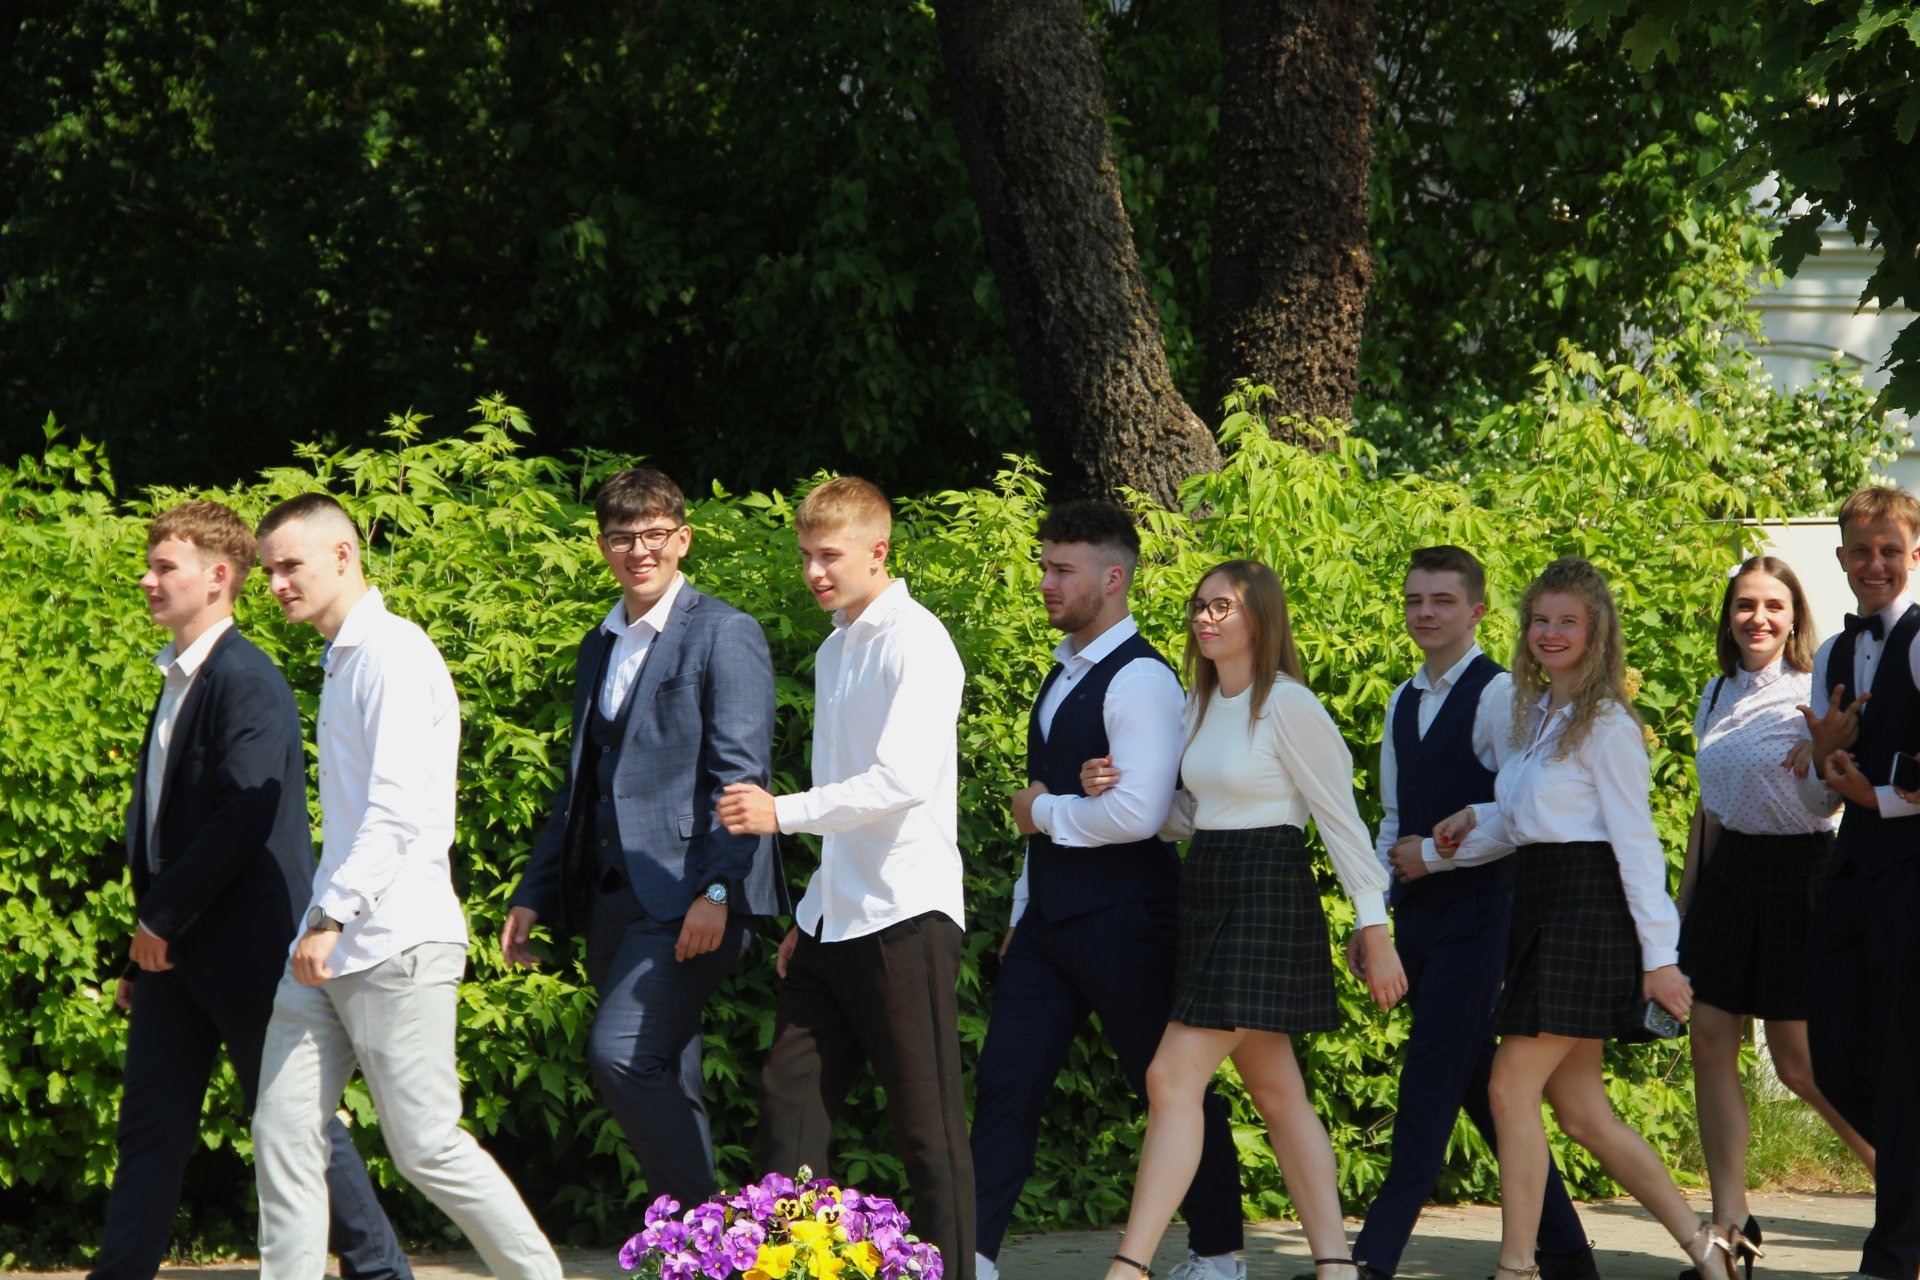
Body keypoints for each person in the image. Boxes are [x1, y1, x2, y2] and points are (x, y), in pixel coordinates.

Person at [92, 501, 410, 1280]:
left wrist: (162, 918)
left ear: (216, 577)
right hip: (173, 957)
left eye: (164, 567)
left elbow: (242, 817)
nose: (148, 580)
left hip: (248, 952)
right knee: (150, 1130)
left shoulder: (248, 679)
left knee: (299, 1126)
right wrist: (144, 949)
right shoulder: (180, 678)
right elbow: (168, 827)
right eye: (149, 566)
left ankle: (381, 1272)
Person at [249, 494, 560, 1280]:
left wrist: (329, 915)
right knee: (283, 1131)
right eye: (269, 571)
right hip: (330, 946)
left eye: (290, 566)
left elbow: (396, 811)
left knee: (426, 1147)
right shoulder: (342, 658)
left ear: (343, 556)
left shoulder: (392, 653)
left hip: (396, 941)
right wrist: (322, 925)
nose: (277, 584)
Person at [1093, 559, 1407, 1280]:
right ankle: (1336, 1266)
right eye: (1199, 606)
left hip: (1267, 891)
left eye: (1222, 606)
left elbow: (1341, 821)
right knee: (1277, 1092)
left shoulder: (1288, 704)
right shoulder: (1199, 704)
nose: (1205, 618)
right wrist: (1116, 789)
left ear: (1260, 618)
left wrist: (1376, 929)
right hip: (1208, 885)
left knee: (1171, 1077)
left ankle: (1128, 1268)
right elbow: (1194, 814)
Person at [1431, 557, 1734, 1280]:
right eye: (1540, 620)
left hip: (1585, 916)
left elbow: (1636, 846)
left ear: (1596, 632)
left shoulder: (1607, 725)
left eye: (1568, 621)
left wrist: (1661, 960)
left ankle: (1516, 1268)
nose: (1551, 633)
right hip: (1541, 905)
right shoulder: (1540, 716)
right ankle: (1709, 1250)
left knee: (1508, 1087)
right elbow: (1534, 819)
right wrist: (1470, 818)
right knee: (1583, 1114)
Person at [972, 502, 1244, 1280]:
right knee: (1007, 1082)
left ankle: (1218, 1254)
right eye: (1045, 566)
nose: (1047, 582)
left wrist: (1041, 812)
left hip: (1131, 922)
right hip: (1051, 923)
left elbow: (1137, 815)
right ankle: (974, 1255)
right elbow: (1061, 804)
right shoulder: (1062, 672)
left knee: (1171, 1088)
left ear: (1114, 577)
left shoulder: (1143, 680)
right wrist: (1024, 909)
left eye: (1063, 569)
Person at [500, 466, 786, 1208]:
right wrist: (534, 893)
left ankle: (706, 1234)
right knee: (665, 1070)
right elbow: (580, 786)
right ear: (603, 546)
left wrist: (716, 891)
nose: (639, 551)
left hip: (690, 896)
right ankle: (696, 1243)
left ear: (683, 539)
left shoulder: (724, 632)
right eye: (622, 537)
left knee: (622, 1054)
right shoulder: (599, 644)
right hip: (611, 903)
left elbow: (741, 781)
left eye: (655, 534)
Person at [715, 476, 974, 1280]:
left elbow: (900, 781)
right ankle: (792, 1268)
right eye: (806, 556)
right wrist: (814, 909)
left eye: (829, 555)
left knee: (928, 1130)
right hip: (834, 920)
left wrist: (779, 813)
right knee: (789, 1110)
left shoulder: (918, 641)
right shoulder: (835, 648)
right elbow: (846, 789)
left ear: (878, 551)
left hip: (905, 916)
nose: (814, 572)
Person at [1347, 547, 1595, 1280]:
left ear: (1478, 611)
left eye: (1442, 601)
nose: (1425, 613)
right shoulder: (1402, 698)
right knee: (1475, 1085)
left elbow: (1522, 812)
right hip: (1418, 919)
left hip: (1485, 916)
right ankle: (1568, 1255)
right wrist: (1375, 920)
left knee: (1428, 1081)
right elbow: (1393, 821)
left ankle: (1370, 1260)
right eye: (1414, 600)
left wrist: (1439, 857)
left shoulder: (1500, 695)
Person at [1681, 555, 1871, 1275]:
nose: (1757, 618)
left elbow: (1835, 795)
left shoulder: (1815, 692)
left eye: (1772, 606)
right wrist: (1684, 901)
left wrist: (1821, 748)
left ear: (1794, 618)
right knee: (1708, 1042)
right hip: (1728, 876)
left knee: (1800, 1065)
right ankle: (1731, 1225)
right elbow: (1708, 810)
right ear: (1728, 616)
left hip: (1800, 874)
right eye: (1744, 605)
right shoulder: (1715, 692)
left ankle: (1903, 1187)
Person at [1792, 485, 1920, 1280]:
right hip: (1848, 872)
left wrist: (1878, 797)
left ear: (1914, 555)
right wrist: (1823, 756)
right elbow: (1816, 801)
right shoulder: (1832, 655)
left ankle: (1894, 1254)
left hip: (1911, 873)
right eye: (1861, 551)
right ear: (1840, 557)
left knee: (1903, 1062)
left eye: (1889, 550)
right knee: (1834, 1062)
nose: (1875, 564)